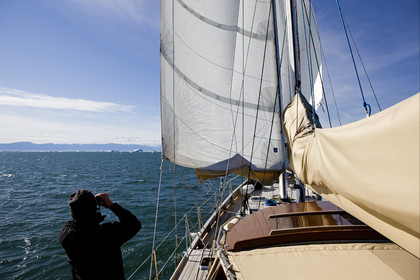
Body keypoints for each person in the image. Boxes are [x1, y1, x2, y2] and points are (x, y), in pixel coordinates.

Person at [58, 189, 141, 280]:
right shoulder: (106, 234)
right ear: (93, 209)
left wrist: (88, 203)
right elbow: (134, 224)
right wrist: (112, 205)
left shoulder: (65, 235)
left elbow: (76, 220)